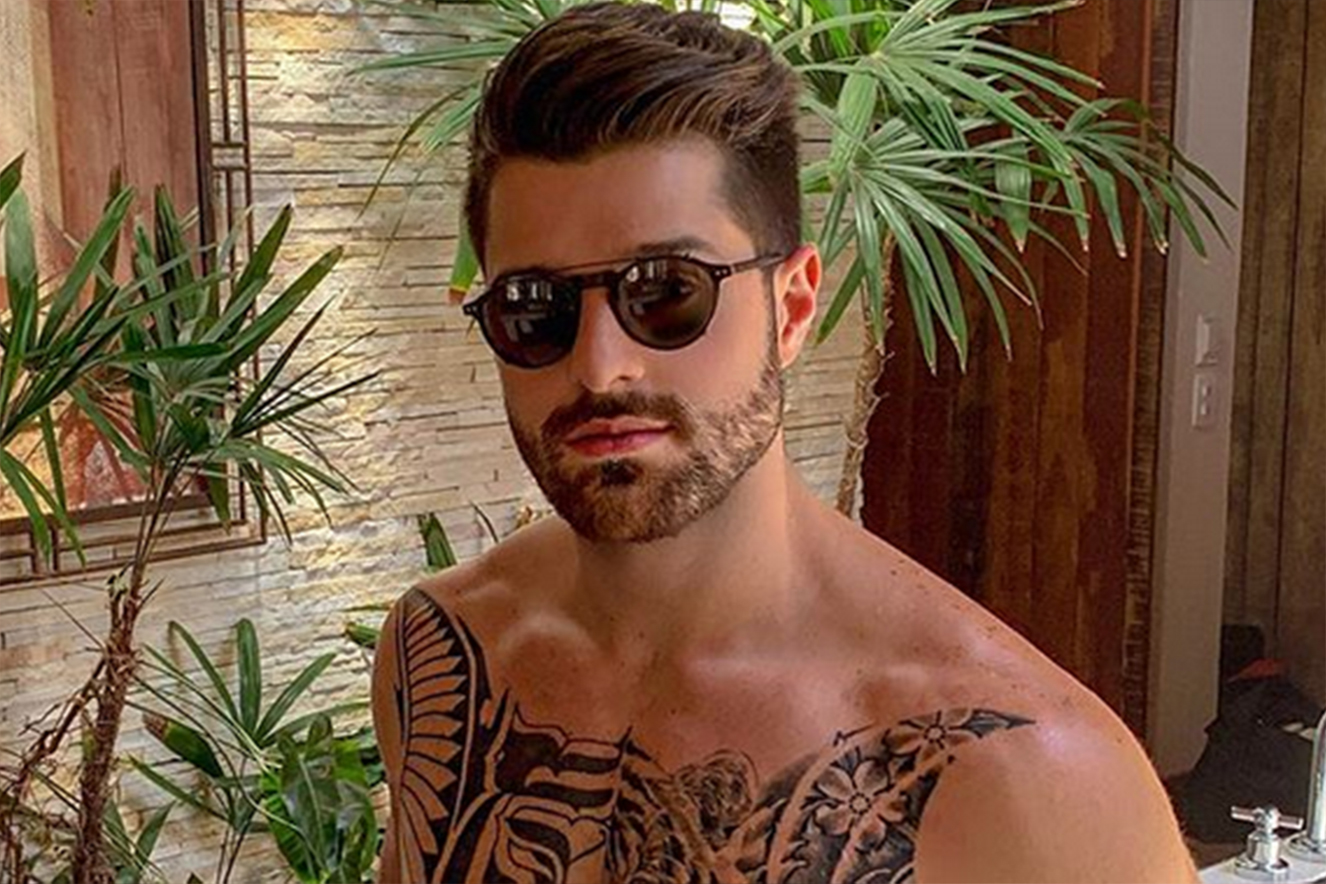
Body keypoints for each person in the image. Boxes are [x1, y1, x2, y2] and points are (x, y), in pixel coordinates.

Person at [371, 4, 1198, 881]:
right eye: (535, 307)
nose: (601, 366)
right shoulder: (445, 651)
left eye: (667, 292)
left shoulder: (1031, 778)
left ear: (793, 306)